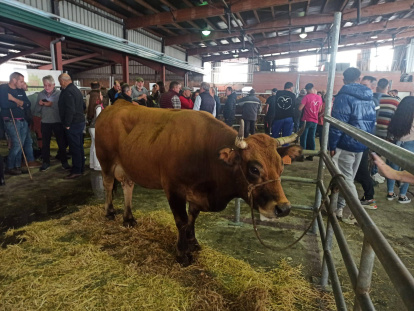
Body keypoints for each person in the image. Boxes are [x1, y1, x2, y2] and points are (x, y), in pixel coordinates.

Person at [329, 67, 376, 224]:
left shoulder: (343, 97)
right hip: (361, 143)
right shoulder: (369, 97)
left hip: (345, 143)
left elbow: (337, 124)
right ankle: (339, 208)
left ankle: (358, 214)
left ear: (344, 80)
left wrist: (332, 145)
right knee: (347, 178)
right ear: (359, 78)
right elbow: (371, 122)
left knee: (347, 180)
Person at [0, 72, 39, 175]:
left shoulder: (20, 90)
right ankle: (9, 166)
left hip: (22, 120)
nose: (22, 83)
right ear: (14, 80)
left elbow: (27, 104)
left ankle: (17, 166)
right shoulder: (3, 88)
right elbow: (4, 104)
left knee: (21, 144)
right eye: (21, 81)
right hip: (11, 120)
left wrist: (13, 100)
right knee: (17, 145)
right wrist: (19, 103)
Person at [35, 75, 70, 172]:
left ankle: (64, 162)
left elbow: (63, 108)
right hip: (45, 122)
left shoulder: (59, 94)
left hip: (58, 122)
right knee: (45, 143)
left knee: (61, 143)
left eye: (49, 85)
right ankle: (46, 162)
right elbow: (36, 111)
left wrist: (52, 105)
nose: (47, 87)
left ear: (54, 85)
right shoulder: (40, 95)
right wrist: (40, 104)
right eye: (45, 85)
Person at [385, 96, 414, 204]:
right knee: (408, 170)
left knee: (393, 169)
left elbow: (390, 131)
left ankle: (390, 193)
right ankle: (402, 196)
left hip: (396, 143)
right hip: (411, 144)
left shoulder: (397, 116)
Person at [58, 73, 86, 179]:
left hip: (73, 123)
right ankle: (80, 167)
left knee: (74, 147)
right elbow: (83, 105)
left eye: (60, 82)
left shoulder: (68, 91)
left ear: (64, 81)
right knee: (79, 146)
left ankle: (76, 170)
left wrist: (67, 124)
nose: (60, 84)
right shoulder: (76, 89)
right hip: (79, 121)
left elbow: (70, 109)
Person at [298, 83, 323, 160]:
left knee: (303, 137)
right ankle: (311, 155)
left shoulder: (306, 97)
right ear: (313, 88)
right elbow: (320, 110)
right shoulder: (319, 98)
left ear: (306, 90)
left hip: (306, 120)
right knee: (311, 137)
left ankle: (302, 155)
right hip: (315, 120)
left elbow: (300, 108)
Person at [89, 92, 104, 171]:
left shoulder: (94, 106)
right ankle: (97, 165)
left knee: (93, 146)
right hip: (96, 128)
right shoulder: (98, 107)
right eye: (101, 95)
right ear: (98, 98)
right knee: (96, 147)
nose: (102, 96)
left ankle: (92, 163)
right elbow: (99, 119)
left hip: (92, 127)